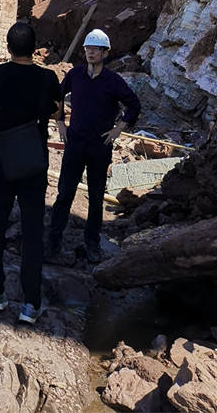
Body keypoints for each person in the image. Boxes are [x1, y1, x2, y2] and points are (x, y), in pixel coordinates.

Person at [0, 21, 61, 326]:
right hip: (33, 158)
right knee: (32, 230)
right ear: (34, 48)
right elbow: (56, 111)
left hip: (2, 156)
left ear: (8, 47)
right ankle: (30, 304)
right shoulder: (47, 77)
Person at [47, 28, 140, 265]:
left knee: (96, 197)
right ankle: (53, 242)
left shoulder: (113, 81)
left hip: (100, 146)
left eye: (96, 49)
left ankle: (92, 244)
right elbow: (56, 96)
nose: (90, 52)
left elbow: (134, 105)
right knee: (64, 193)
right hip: (75, 143)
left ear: (105, 53)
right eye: (88, 48)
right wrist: (60, 122)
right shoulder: (75, 75)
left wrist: (119, 128)